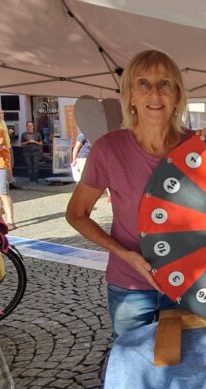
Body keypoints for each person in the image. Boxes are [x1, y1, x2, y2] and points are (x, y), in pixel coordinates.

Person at [65, 50, 193, 338]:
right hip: (130, 287)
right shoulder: (109, 149)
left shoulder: (198, 147)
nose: (155, 93)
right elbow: (76, 214)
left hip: (186, 284)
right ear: (130, 96)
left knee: (185, 367)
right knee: (135, 371)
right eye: (143, 83)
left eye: (165, 84)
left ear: (177, 96)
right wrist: (127, 255)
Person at [20, 121, 43, 185]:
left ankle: (35, 180)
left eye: (31, 125)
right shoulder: (23, 134)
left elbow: (41, 143)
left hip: (36, 152)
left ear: (33, 126)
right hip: (27, 152)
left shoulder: (37, 134)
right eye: (28, 125)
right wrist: (28, 141)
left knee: (36, 166)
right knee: (29, 167)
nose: (30, 127)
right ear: (26, 126)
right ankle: (31, 180)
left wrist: (35, 142)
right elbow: (21, 144)